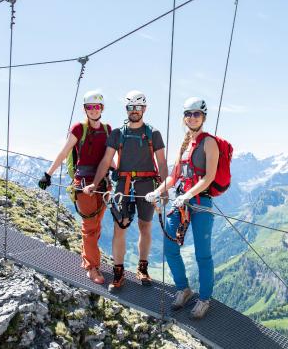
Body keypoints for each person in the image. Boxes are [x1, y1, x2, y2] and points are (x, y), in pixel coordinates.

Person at [84, 90, 168, 292]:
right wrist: (95, 184)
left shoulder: (153, 133)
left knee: (144, 227)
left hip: (148, 185)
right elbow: (106, 160)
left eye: (138, 107)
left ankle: (142, 268)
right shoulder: (118, 134)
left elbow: (162, 163)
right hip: (124, 184)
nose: (135, 111)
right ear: (127, 109)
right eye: (131, 107)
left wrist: (164, 189)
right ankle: (118, 272)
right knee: (119, 228)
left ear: (144, 109)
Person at [144, 97, 219, 319]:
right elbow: (174, 176)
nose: (192, 117)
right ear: (184, 118)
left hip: (200, 202)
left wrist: (186, 194)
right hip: (181, 202)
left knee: (202, 254)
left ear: (203, 117)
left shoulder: (210, 142)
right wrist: (157, 191)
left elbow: (209, 177)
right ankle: (183, 288)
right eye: (189, 114)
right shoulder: (185, 145)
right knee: (169, 248)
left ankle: (204, 298)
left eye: (197, 114)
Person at [38, 90, 111, 285]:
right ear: (85, 109)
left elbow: (111, 157)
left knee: (96, 225)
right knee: (90, 226)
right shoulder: (79, 129)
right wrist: (48, 173)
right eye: (90, 107)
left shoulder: (107, 130)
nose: (94, 110)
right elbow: (64, 152)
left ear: (102, 108)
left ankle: (86, 258)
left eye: (97, 107)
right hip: (83, 184)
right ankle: (92, 267)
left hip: (103, 183)